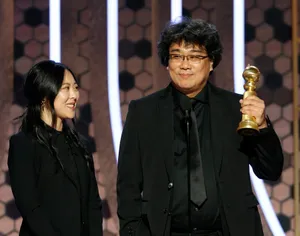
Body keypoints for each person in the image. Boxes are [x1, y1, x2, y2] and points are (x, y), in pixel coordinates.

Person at [117, 18, 283, 236]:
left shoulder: (237, 108)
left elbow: (270, 170)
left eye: (195, 57)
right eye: (177, 56)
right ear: (167, 62)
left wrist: (262, 126)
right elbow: (127, 184)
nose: (185, 65)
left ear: (211, 62)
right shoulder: (143, 112)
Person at [8, 60, 103, 236]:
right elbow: (30, 206)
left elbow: (93, 205)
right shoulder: (24, 144)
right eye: (66, 88)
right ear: (44, 95)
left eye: (75, 88)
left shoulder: (81, 145)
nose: (74, 95)